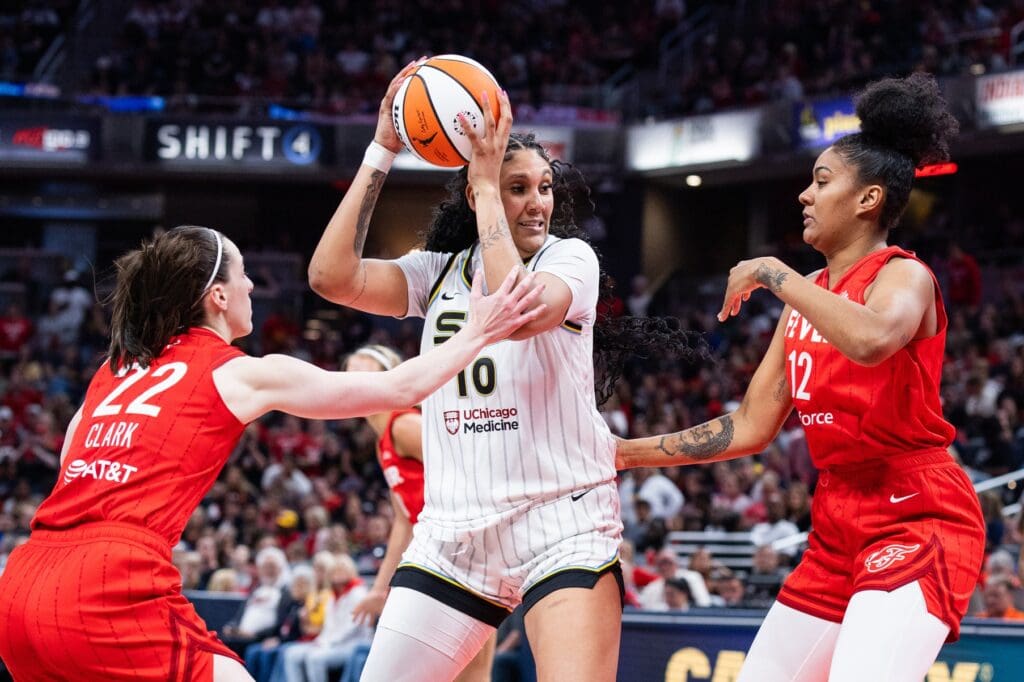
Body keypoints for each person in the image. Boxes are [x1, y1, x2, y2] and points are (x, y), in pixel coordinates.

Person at [0, 224, 544, 681]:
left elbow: (72, 465)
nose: (253, 285)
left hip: (22, 585)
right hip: (105, 584)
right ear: (217, 295)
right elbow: (400, 388)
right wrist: (479, 329)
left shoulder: (114, 371)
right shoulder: (238, 371)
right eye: (243, 275)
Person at [308, 62, 702, 681]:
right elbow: (331, 277)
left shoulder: (570, 262)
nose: (537, 202)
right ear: (475, 193)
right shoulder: (436, 272)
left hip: (560, 523)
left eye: (544, 187)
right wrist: (383, 148)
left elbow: (512, 310)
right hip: (454, 533)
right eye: (518, 187)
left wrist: (487, 184)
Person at [615, 73, 985, 681]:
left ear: (868, 200)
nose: (804, 197)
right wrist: (622, 453)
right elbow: (751, 427)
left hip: (917, 514)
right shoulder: (808, 296)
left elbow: (870, 339)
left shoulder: (904, 276)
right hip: (836, 521)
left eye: (820, 181)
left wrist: (771, 271)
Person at [345, 344, 497, 682]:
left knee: (471, 672)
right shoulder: (384, 438)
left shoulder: (406, 425)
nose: (349, 381)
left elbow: (472, 470)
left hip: (464, 549)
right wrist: (379, 589)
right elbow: (404, 520)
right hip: (438, 553)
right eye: (346, 374)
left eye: (360, 372)